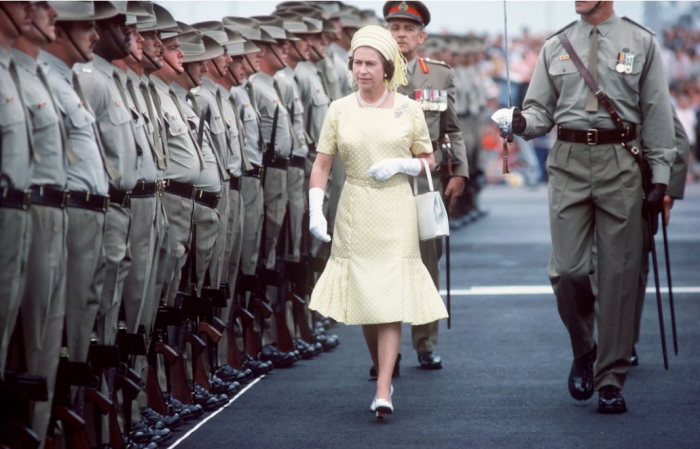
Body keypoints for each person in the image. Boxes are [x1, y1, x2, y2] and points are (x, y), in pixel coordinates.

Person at [494, 1, 675, 414]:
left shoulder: (641, 42)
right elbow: (540, 109)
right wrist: (520, 122)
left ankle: (610, 378)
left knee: (618, 276)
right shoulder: (556, 45)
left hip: (621, 162)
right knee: (567, 270)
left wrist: (661, 174)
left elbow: (657, 111)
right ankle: (584, 348)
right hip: (569, 162)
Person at [307, 25, 448, 419]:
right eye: (357, 62)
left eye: (370, 63)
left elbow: (428, 160)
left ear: (387, 67)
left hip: (395, 208)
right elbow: (322, 164)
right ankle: (382, 369)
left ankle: (384, 387)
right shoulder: (339, 109)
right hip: (355, 207)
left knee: (388, 299)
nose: (362, 70)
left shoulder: (409, 108)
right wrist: (315, 208)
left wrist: (402, 163)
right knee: (367, 298)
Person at [384, 0, 469, 371]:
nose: (400, 34)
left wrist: (459, 172)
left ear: (421, 36)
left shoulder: (438, 75)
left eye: (408, 29)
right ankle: (385, 349)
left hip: (423, 179)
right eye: (394, 28)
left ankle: (425, 342)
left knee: (425, 263)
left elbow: (452, 129)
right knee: (382, 264)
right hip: (381, 181)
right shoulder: (370, 71)